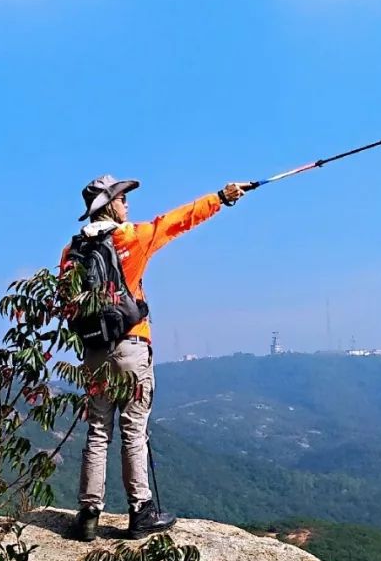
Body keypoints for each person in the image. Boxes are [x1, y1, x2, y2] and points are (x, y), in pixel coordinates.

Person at [63, 173, 253, 540]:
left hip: (93, 352)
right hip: (131, 347)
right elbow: (176, 220)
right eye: (121, 198)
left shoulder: (72, 251)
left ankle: (88, 515)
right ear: (109, 206)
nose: (127, 203)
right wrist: (221, 197)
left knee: (98, 432)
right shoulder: (130, 238)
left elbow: (67, 304)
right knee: (133, 431)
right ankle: (140, 511)